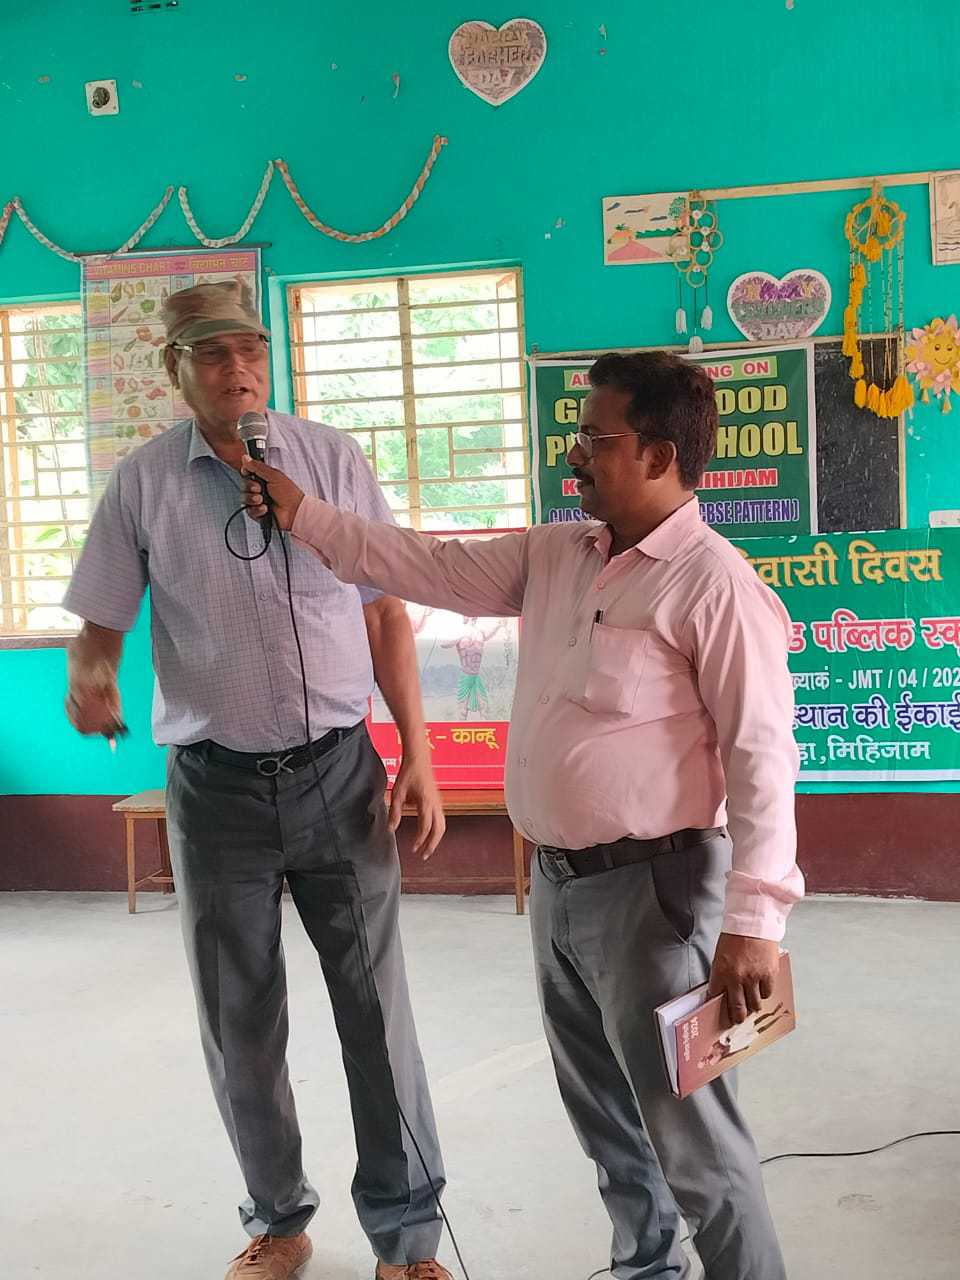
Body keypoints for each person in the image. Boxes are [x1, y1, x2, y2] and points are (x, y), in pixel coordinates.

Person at [240, 350, 804, 1280]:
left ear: (659, 454)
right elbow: (423, 564)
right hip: (556, 887)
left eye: (594, 437)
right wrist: (304, 514)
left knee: (694, 1141)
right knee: (607, 1125)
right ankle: (645, 1268)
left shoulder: (715, 586)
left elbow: (762, 760)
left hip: (657, 896)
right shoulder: (557, 555)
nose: (573, 454)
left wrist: (754, 923)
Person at [63, 281, 453, 1280]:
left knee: (376, 1010)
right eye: (211, 353)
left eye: (250, 348)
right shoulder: (142, 484)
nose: (237, 367)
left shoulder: (331, 460)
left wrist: (417, 751)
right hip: (216, 792)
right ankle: (278, 1220)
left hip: (340, 775)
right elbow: (99, 629)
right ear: (175, 370)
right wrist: (91, 678)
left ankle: (408, 1238)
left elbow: (384, 611)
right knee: (239, 1018)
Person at [440, 617, 507, 718]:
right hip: (466, 675)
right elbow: (445, 644)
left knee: (485, 707)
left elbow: (487, 634)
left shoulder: (480, 633)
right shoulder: (460, 633)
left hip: (476, 675)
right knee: (462, 711)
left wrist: (498, 625)